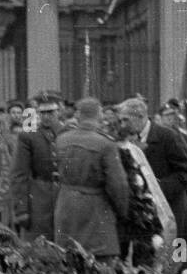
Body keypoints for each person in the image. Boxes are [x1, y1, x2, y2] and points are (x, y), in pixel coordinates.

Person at [118, 97, 187, 269]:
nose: (122, 124)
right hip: (146, 216)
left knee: (175, 264)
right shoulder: (126, 140)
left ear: (140, 116)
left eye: (126, 119)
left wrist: (157, 189)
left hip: (172, 211)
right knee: (147, 264)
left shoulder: (168, 136)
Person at [52, 97, 130, 260]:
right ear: (99, 115)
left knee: (66, 260)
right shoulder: (105, 144)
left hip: (65, 205)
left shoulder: (61, 139)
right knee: (99, 265)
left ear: (78, 116)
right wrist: (122, 211)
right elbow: (118, 185)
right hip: (95, 210)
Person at [11, 93, 62, 241]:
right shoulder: (28, 136)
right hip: (38, 199)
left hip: (63, 196)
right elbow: (19, 174)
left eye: (50, 112)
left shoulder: (67, 133)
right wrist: (21, 209)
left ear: (58, 111)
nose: (46, 117)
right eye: (42, 113)